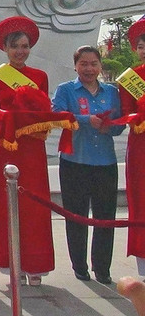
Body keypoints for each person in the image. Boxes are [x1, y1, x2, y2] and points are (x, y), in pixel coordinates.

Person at [0, 17, 54, 285]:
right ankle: (12, 265)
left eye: (24, 46)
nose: (20, 51)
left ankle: (36, 266)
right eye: (15, 46)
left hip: (33, 147)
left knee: (34, 204)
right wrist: (0, 116)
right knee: (7, 204)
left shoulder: (40, 77)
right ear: (6, 48)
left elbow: (45, 109)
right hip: (8, 147)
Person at [52, 45, 125, 284]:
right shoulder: (66, 90)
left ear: (100, 65)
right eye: (84, 64)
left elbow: (120, 125)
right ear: (76, 66)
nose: (89, 68)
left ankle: (102, 267)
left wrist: (110, 126)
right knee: (76, 216)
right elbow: (58, 117)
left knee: (106, 217)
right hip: (75, 162)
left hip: (105, 162)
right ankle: (79, 266)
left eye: (93, 63)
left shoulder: (112, 92)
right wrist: (86, 121)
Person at [120, 18, 145, 279]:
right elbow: (126, 113)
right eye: (140, 45)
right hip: (141, 149)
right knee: (142, 201)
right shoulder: (131, 78)